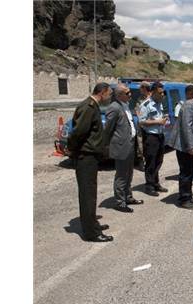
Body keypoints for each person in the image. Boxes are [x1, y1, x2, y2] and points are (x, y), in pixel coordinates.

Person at [67, 82, 114, 242]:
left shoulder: (93, 106)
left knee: (91, 193)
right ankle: (90, 233)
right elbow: (78, 132)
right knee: (88, 195)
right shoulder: (88, 107)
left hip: (90, 157)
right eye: (109, 94)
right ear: (102, 92)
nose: (110, 97)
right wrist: (72, 150)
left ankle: (92, 224)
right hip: (85, 157)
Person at [103, 84, 144, 213]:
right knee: (121, 175)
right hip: (121, 147)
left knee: (129, 173)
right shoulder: (114, 108)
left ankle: (128, 196)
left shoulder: (126, 105)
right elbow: (108, 129)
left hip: (130, 144)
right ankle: (120, 202)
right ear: (119, 95)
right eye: (127, 93)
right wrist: (106, 145)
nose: (130, 94)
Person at [138, 81, 170, 196]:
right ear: (153, 92)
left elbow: (159, 117)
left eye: (163, 93)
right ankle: (149, 186)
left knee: (159, 160)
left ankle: (156, 183)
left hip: (160, 135)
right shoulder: (145, 105)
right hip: (151, 137)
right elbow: (141, 122)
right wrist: (157, 121)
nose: (162, 95)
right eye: (160, 93)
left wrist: (164, 119)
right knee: (151, 162)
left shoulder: (159, 104)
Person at [174, 85, 193, 186]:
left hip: (189, 145)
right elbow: (186, 127)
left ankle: (188, 196)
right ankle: (184, 199)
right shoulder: (187, 105)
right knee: (186, 173)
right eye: (190, 94)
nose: (192, 96)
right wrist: (190, 146)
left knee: (189, 171)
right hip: (185, 146)